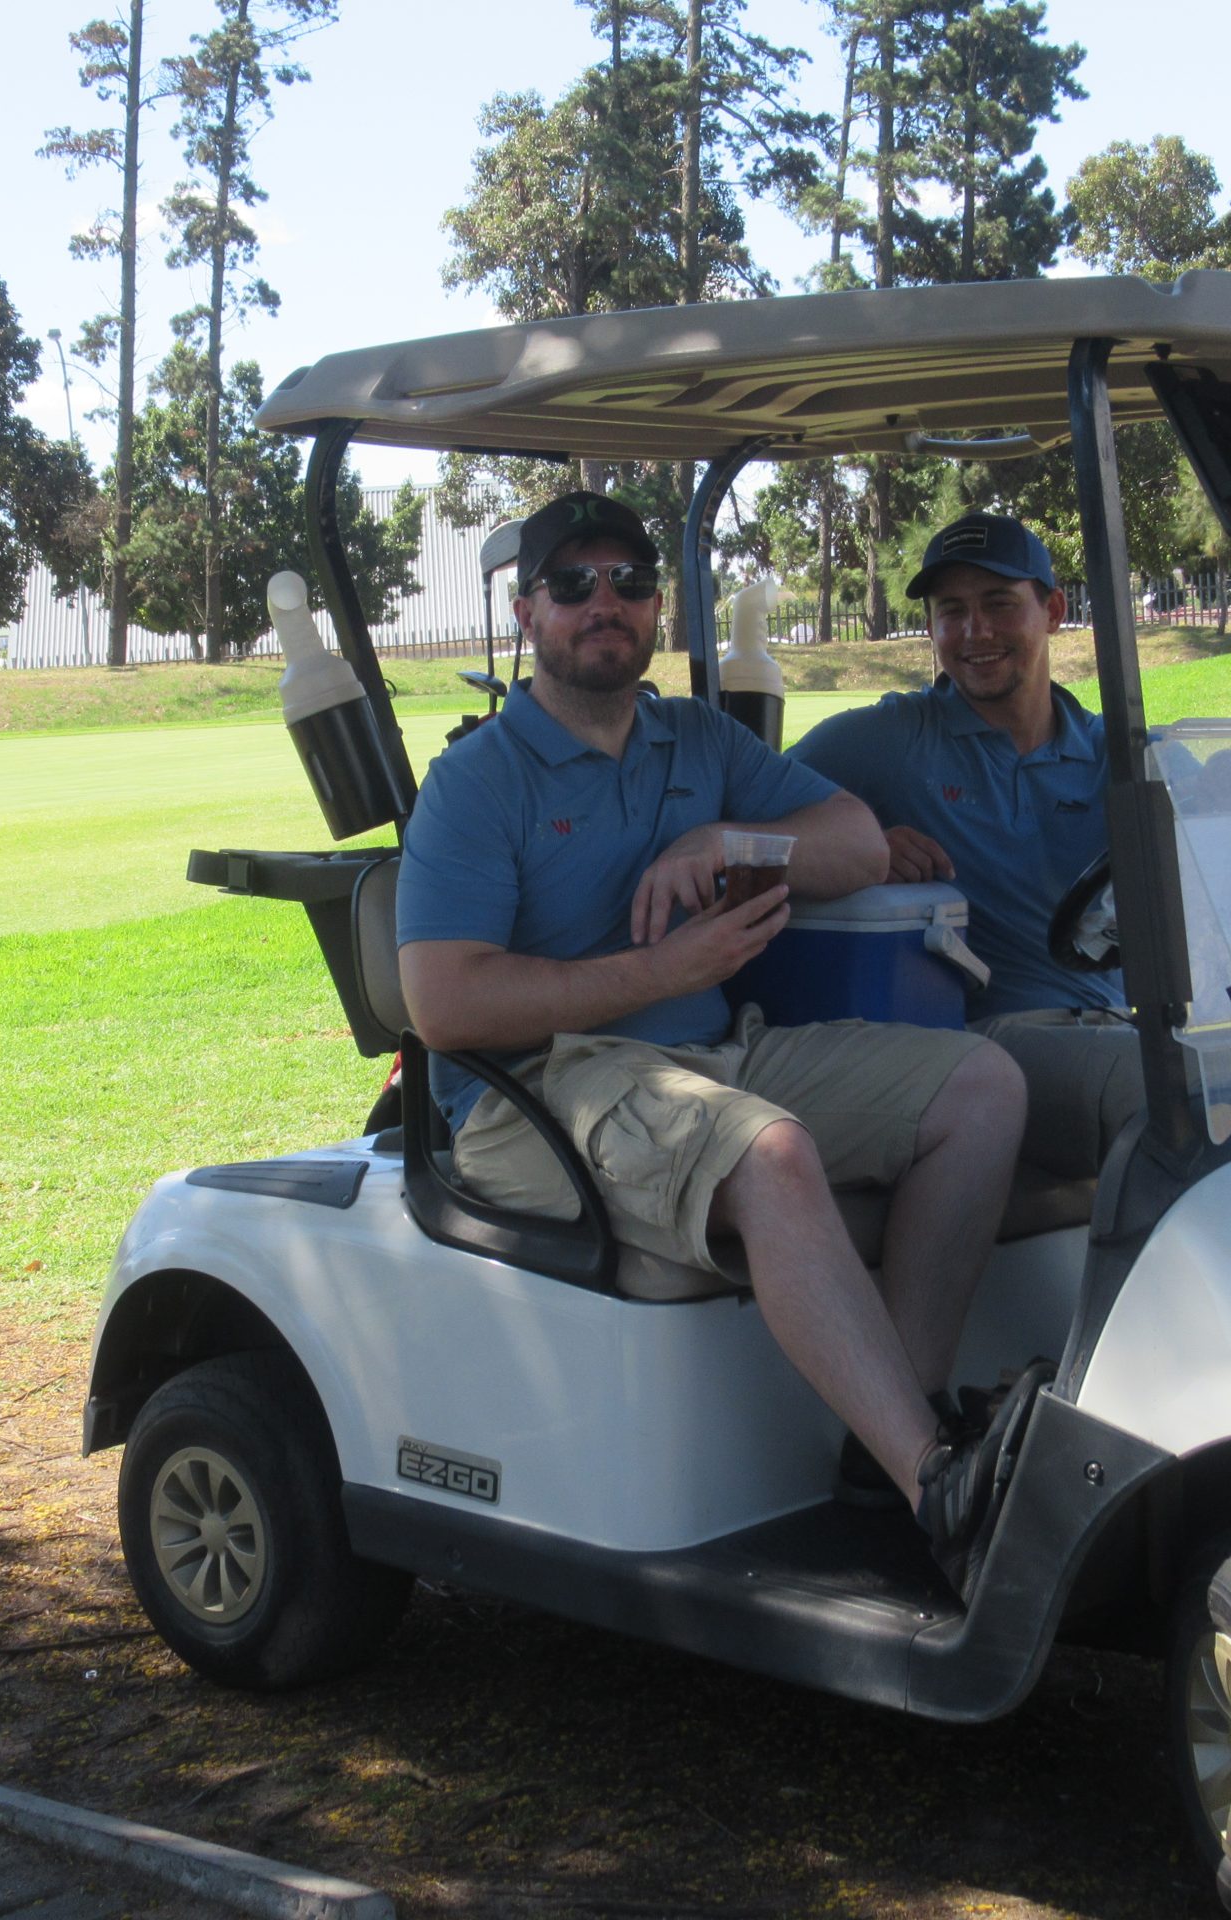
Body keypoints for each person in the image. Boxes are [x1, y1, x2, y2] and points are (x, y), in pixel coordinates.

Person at [396, 489, 1032, 1606]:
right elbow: (444, 1004)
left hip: (710, 1057)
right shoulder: (477, 781)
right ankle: (943, 1486)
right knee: (770, 1153)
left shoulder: (696, 741)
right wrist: (661, 973)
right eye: (574, 584)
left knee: (981, 1087)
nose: (606, 602)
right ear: (527, 612)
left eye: (631, 582)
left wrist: (724, 838)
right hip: (537, 1089)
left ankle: (894, 1445)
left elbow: (855, 843)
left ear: (658, 608)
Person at [792, 511, 1142, 1183]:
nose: (975, 631)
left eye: (999, 604)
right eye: (951, 611)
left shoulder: (1112, 750)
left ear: (1053, 611)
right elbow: (745, 816)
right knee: (1169, 1092)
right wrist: (861, 845)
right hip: (986, 1043)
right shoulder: (891, 739)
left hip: (1117, 1021)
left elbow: (1220, 847)